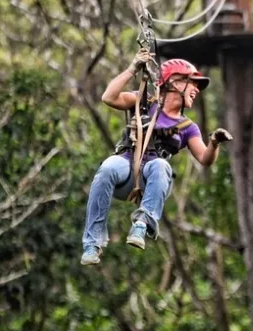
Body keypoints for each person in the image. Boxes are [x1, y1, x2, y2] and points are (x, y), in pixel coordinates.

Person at [80, 51, 231, 265]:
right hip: (127, 166)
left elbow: (205, 159)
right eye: (193, 83)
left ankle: (142, 223)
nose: (197, 90)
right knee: (106, 168)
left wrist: (214, 142)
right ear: (175, 83)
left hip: (151, 179)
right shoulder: (143, 102)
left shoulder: (188, 128)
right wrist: (133, 68)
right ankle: (92, 244)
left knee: (160, 165)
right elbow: (109, 97)